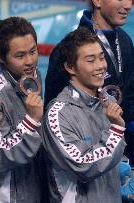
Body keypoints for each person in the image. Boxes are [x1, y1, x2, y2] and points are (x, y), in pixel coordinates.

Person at [42, 27, 126, 203]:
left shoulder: (107, 100)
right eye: (91, 60)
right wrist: (116, 131)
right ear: (70, 67)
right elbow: (83, 165)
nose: (101, 66)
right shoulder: (58, 113)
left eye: (101, 57)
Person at [44, 0, 134, 163]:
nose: (128, 5)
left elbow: (130, 96)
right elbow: (54, 115)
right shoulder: (69, 50)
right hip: (88, 159)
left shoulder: (124, 40)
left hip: (123, 153)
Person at [0, 16, 45, 202]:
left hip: (32, 183)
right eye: (20, 55)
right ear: (1, 57)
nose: (29, 61)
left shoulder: (33, 75)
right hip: (8, 195)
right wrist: (30, 122)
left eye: (33, 51)